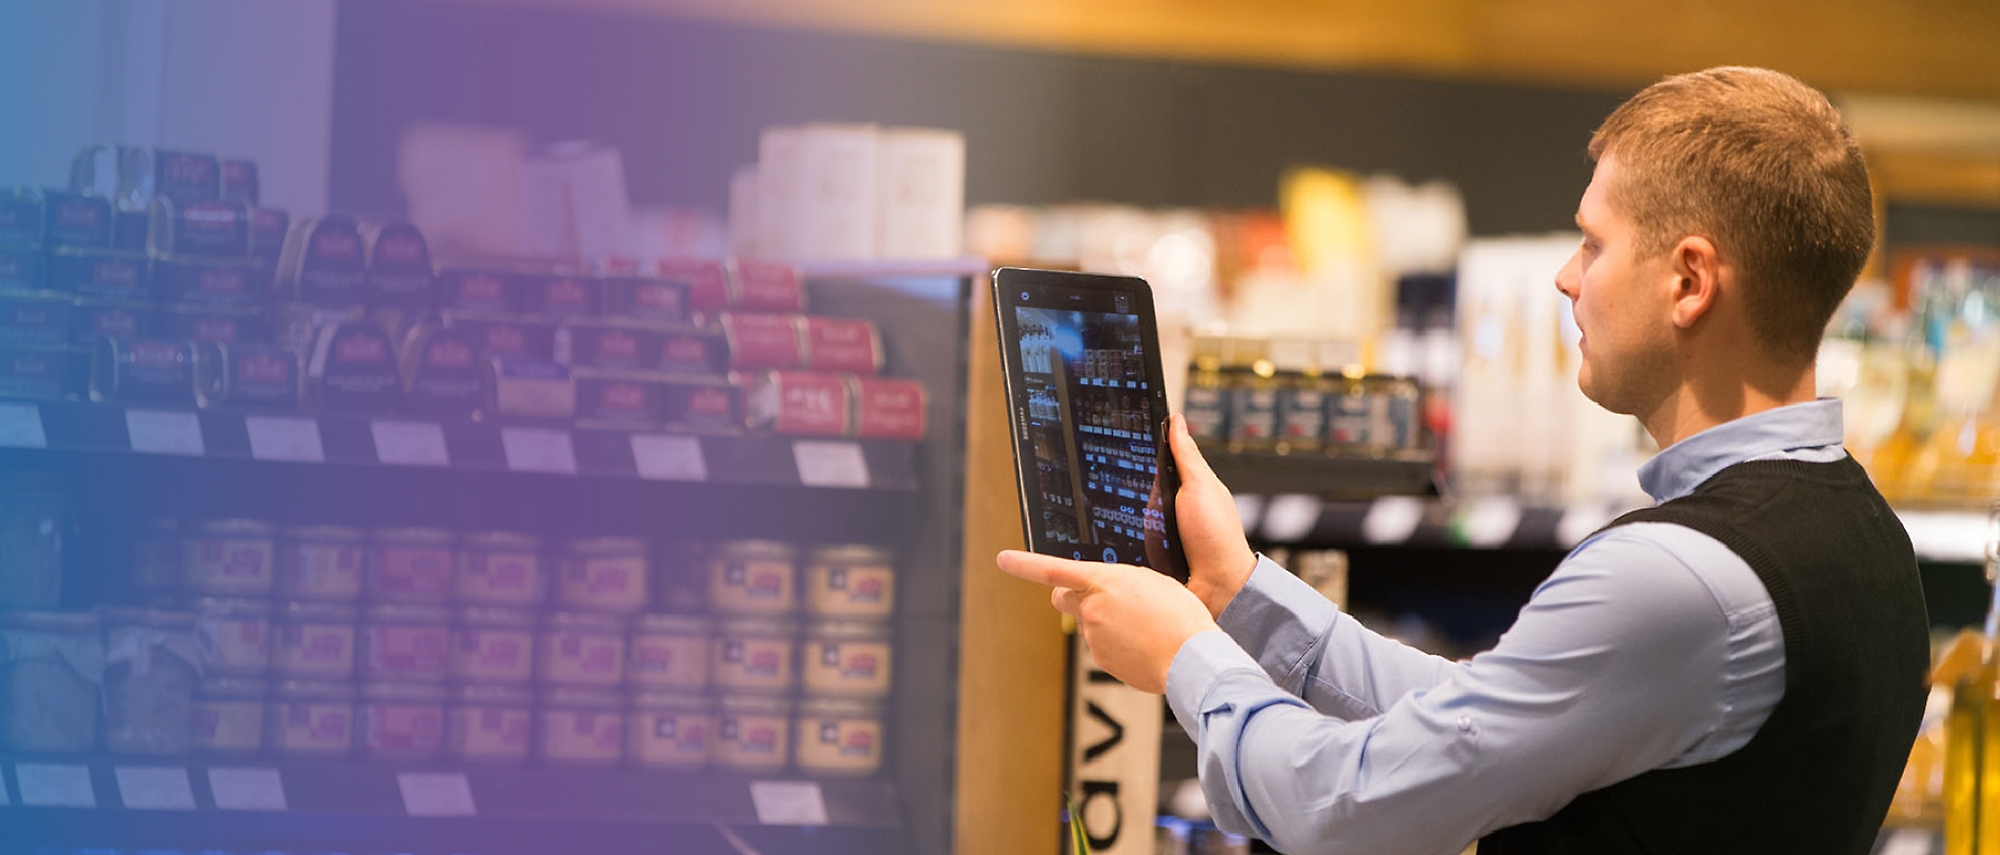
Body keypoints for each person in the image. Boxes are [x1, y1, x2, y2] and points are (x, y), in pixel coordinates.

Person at [998, 66, 1929, 855]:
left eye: (1594, 243)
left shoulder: (1681, 578)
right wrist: (1236, 590)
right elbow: (1478, 719)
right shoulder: (1860, 532)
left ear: (1689, 281)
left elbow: (1343, 806)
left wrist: (1188, 658)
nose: (1566, 277)